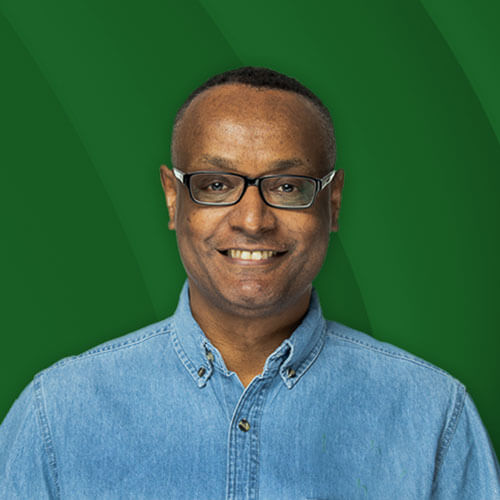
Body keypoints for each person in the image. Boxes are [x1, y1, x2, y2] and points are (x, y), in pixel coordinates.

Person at [1, 66, 499, 499]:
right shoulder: (57, 414)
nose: (254, 220)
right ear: (174, 200)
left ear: (334, 202)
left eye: (287, 187)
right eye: (216, 185)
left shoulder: (433, 416)